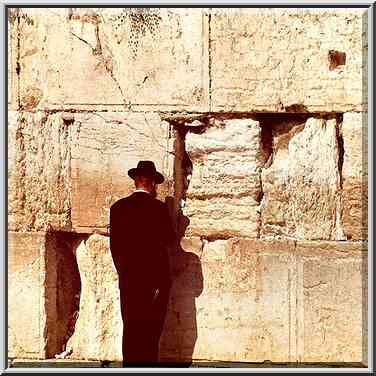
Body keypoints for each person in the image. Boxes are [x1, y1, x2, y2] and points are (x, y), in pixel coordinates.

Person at [109, 160, 176, 367]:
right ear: (153, 184)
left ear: (136, 181)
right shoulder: (158, 209)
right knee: (151, 331)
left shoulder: (117, 208)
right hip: (154, 283)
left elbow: (115, 247)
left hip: (128, 281)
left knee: (130, 328)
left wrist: (125, 273)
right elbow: (169, 241)